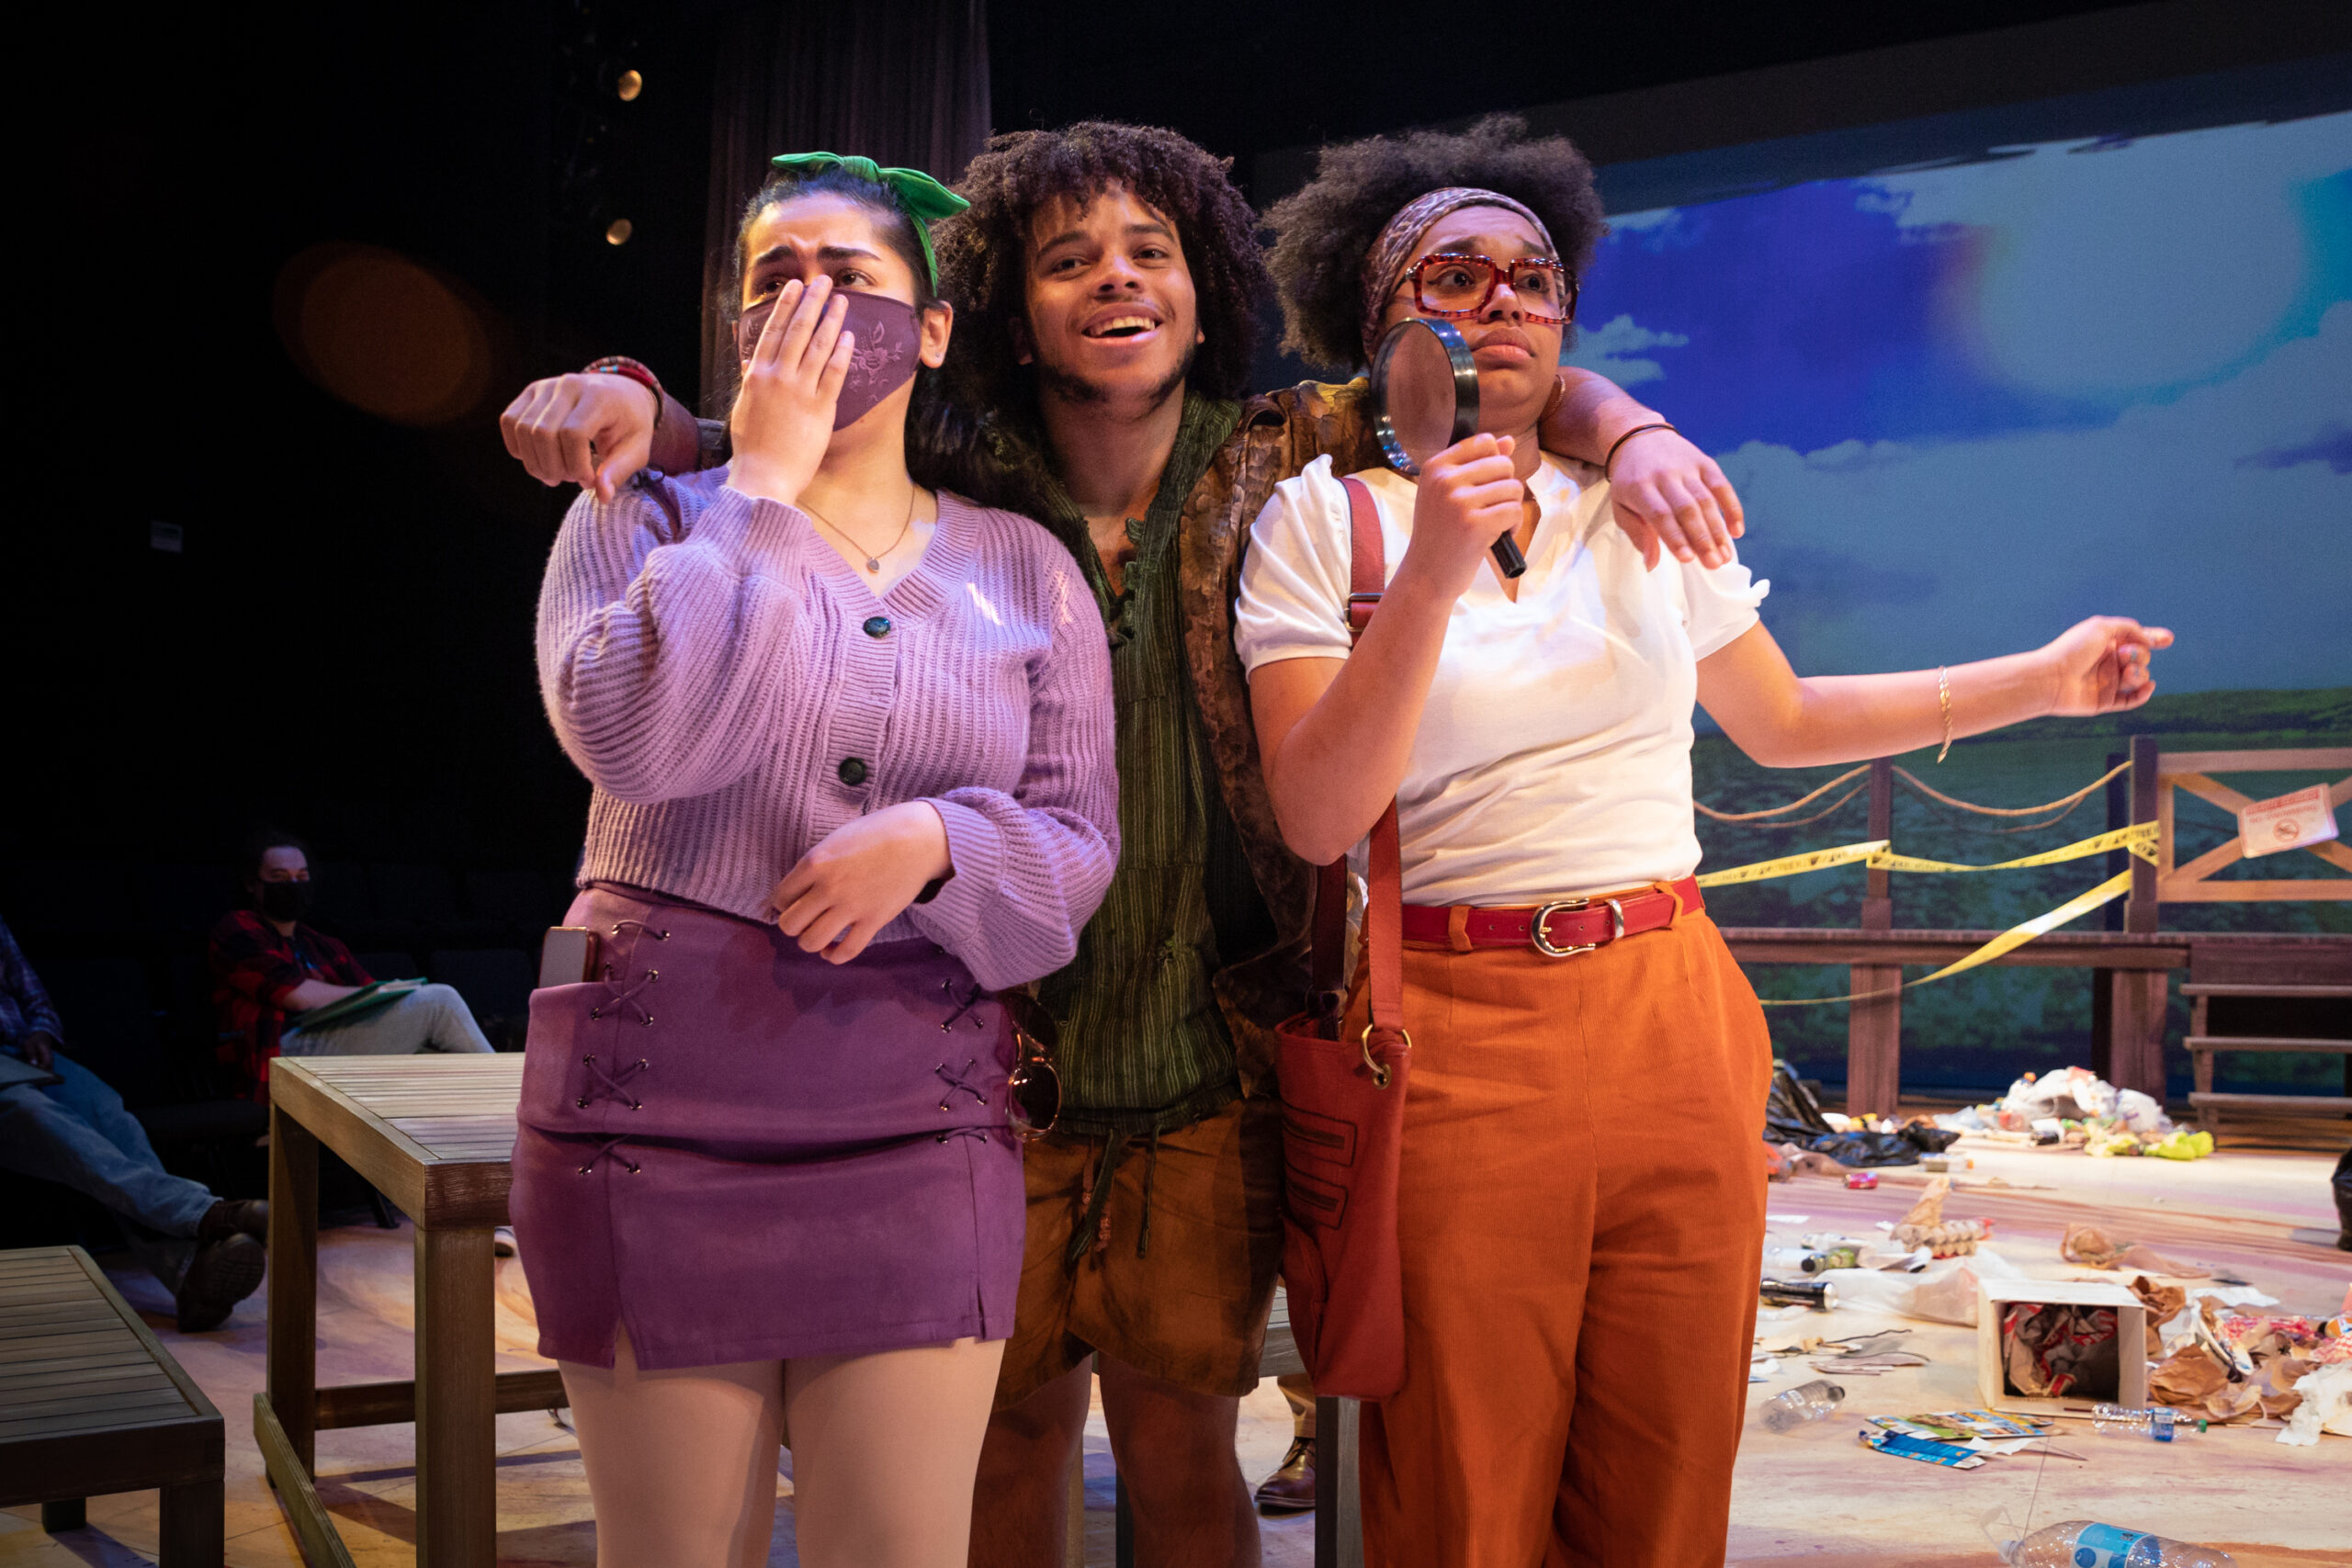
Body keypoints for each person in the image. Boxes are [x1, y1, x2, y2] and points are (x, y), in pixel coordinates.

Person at [499, 120, 1747, 1567]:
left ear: (1208, 286)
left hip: (1207, 1054)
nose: (1114, 280)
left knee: (1181, 1440)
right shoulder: (967, 456)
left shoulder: (1278, 451)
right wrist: (637, 401)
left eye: (1150, 251)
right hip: (988, 1044)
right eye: (1067, 258)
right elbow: (766, 434)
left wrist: (1633, 423)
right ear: (1003, 311)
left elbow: (1480, 384)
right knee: (1005, 1443)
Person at [1232, 115, 2175, 1568]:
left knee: (1666, 1468)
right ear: (1385, 314)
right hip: (1462, 1027)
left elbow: (1784, 715)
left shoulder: (1636, 503)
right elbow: (1314, 812)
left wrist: (2039, 681)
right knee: (1464, 1483)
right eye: (1458, 272)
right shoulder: (1326, 525)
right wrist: (1424, 577)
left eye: (1533, 275)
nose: (1503, 299)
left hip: (1672, 1007)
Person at [512, 152, 1118, 1568]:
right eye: (775, 279)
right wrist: (761, 488)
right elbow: (640, 743)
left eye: (853, 278)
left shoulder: (1024, 565)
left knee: (901, 1546)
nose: (812, 304)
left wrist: (940, 840)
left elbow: (1079, 843)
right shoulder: (637, 517)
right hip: (652, 1101)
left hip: (917, 1111)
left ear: (937, 326)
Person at [0, 911, 270, 1331]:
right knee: (39, 1116)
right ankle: (204, 1215)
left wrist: (40, 1032)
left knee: (106, 1109)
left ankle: (189, 1276)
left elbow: (32, 996)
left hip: (19, 1052)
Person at [209, 829, 494, 1100]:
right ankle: (517, 1105)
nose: (293, 886)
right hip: (276, 1052)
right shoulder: (237, 929)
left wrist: (385, 997)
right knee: (439, 1000)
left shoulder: (322, 944)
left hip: (333, 1038)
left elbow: (374, 1003)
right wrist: (383, 993)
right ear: (252, 884)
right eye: (279, 877)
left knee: (438, 1063)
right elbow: (296, 996)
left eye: (301, 876)